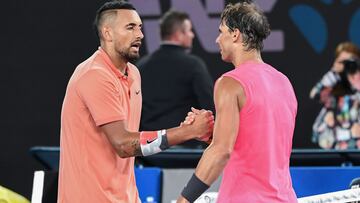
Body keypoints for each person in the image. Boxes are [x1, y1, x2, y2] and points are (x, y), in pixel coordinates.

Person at [57, 1, 213, 202]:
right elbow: (124, 145)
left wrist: (188, 128)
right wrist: (187, 132)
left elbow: (134, 138)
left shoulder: (134, 73)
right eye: (130, 27)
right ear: (107, 33)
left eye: (139, 27)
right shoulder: (94, 75)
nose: (140, 34)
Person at [177, 1, 298, 202]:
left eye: (221, 31)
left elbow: (221, 151)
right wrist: (212, 135)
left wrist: (184, 199)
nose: (217, 39)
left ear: (235, 34)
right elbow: (261, 145)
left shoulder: (229, 83)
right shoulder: (284, 82)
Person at [137, 10, 215, 148]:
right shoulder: (193, 65)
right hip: (186, 151)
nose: (192, 35)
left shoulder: (141, 66)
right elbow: (209, 105)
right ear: (179, 34)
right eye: (189, 30)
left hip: (150, 151)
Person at [310, 42, 360, 149]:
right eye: (343, 62)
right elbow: (315, 95)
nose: (347, 66)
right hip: (336, 156)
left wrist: (356, 78)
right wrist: (334, 72)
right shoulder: (333, 92)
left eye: (351, 61)